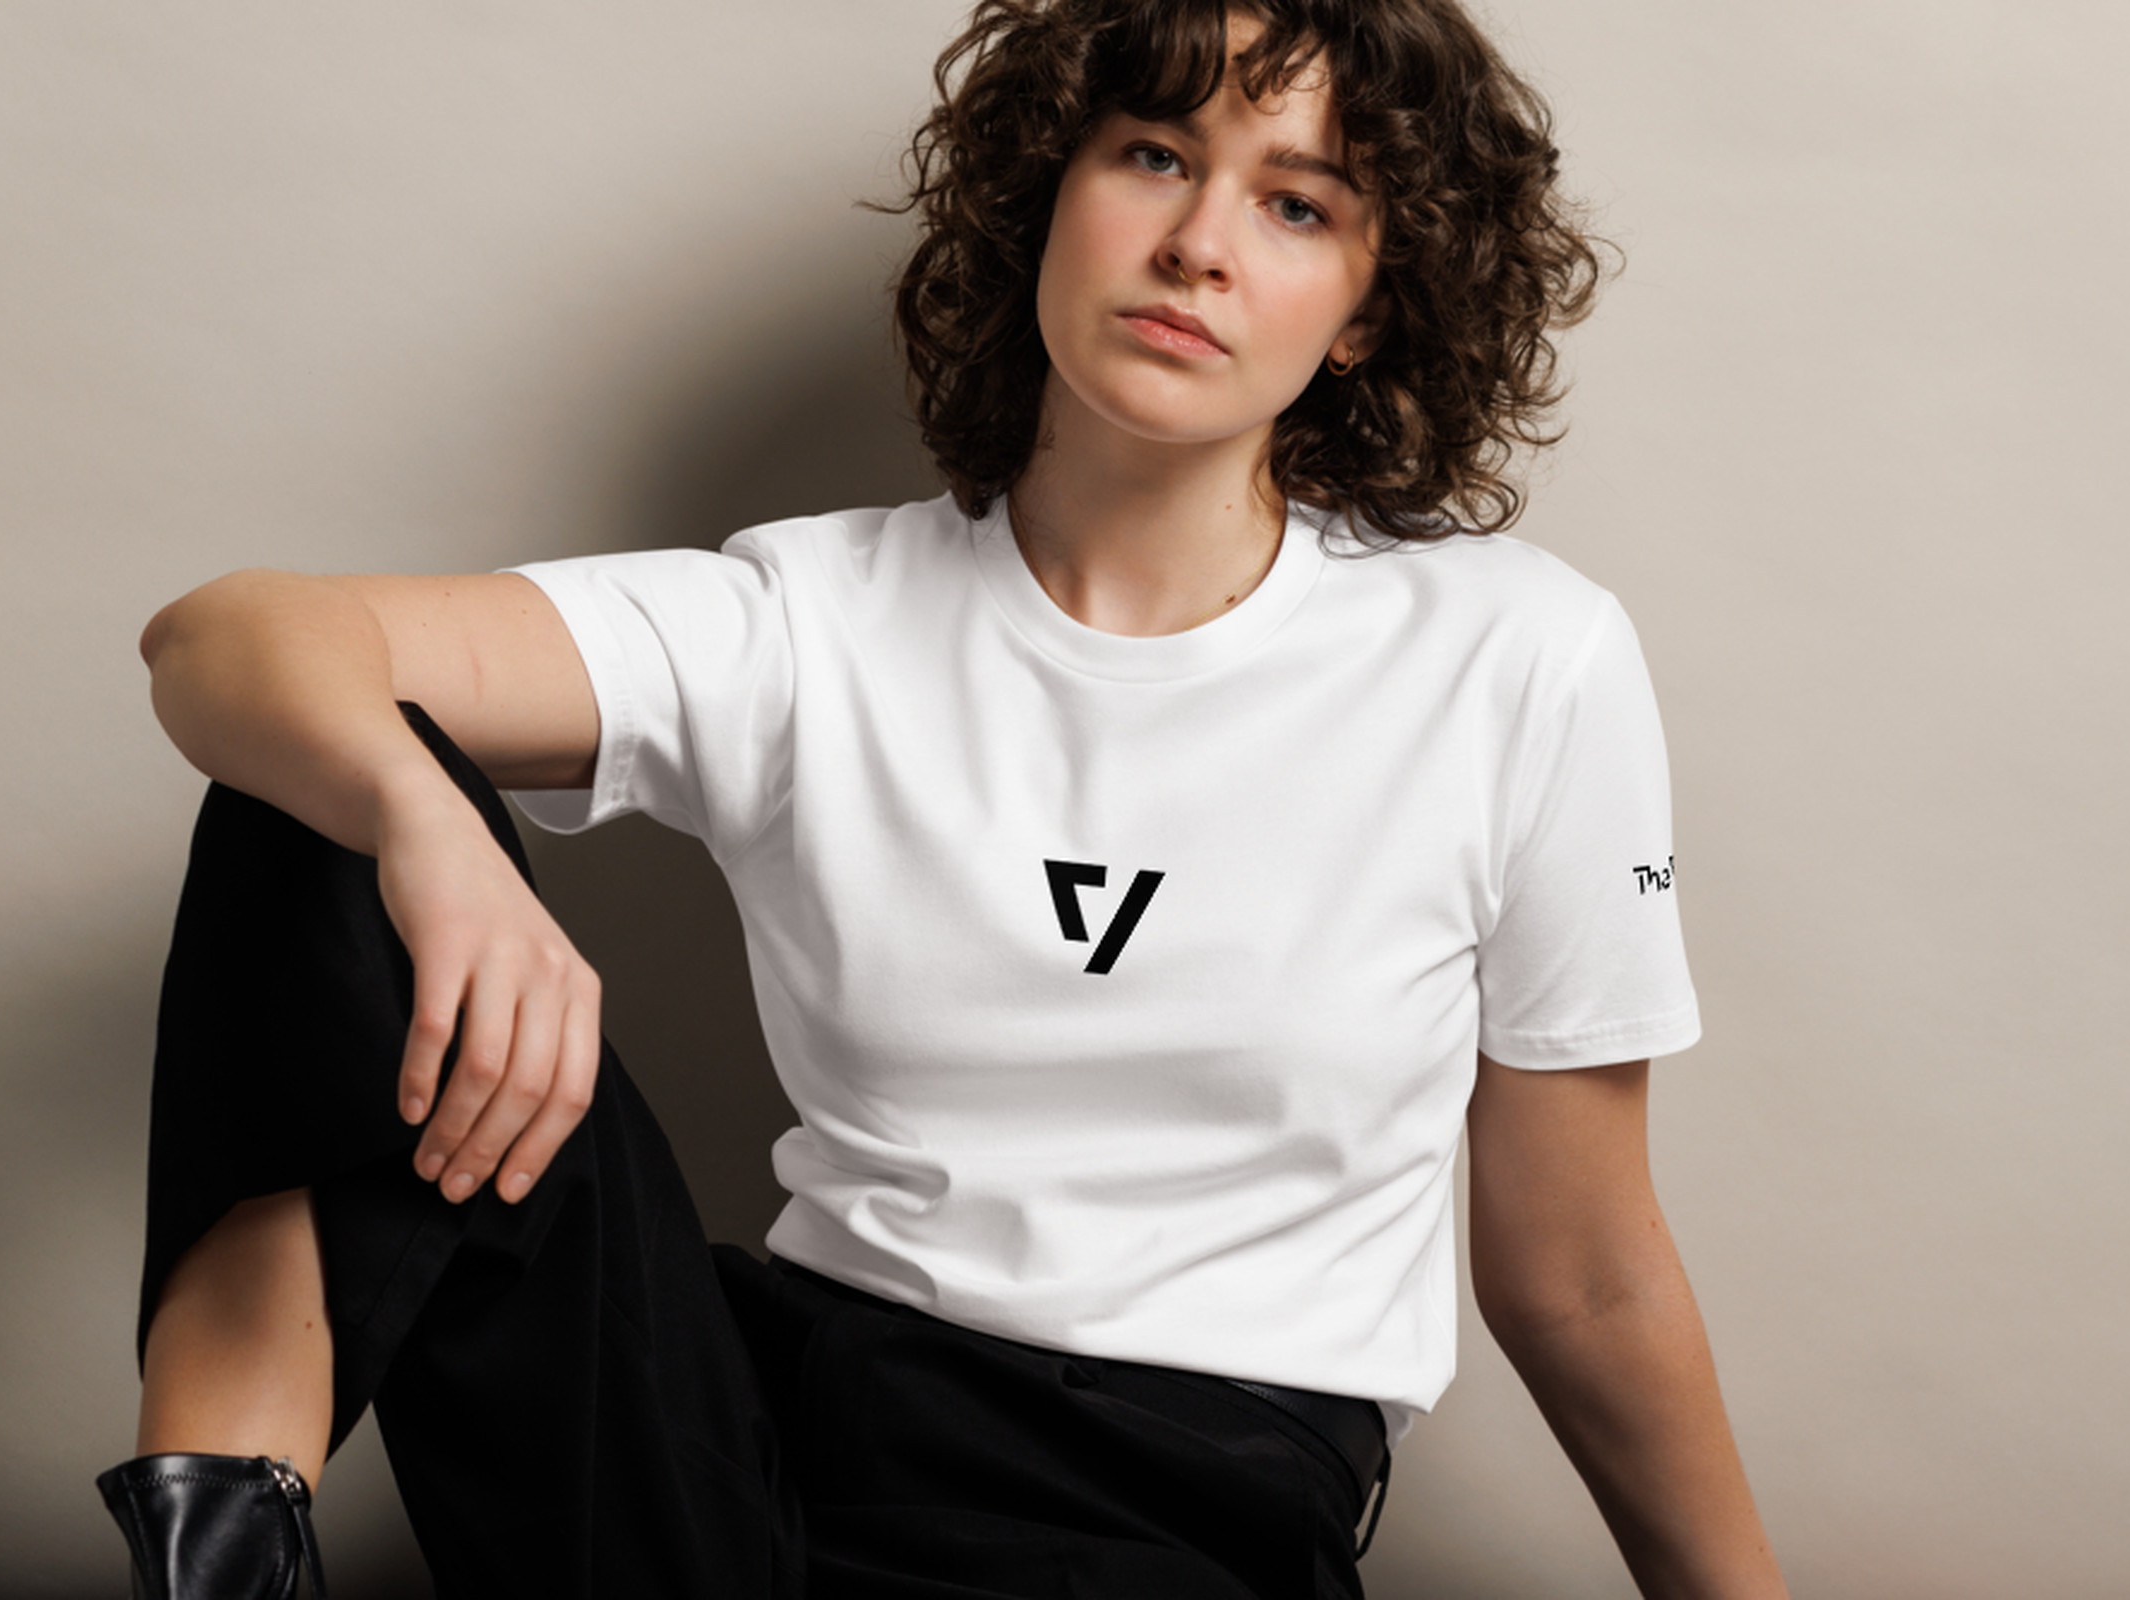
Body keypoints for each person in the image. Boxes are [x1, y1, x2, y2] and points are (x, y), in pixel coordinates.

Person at [97, 1, 1790, 1596]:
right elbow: (230, 638)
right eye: (1150, 155)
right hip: (751, 1456)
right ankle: (228, 1532)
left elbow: (1581, 1270)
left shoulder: (1516, 661)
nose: (1199, 239)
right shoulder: (812, 618)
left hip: (1178, 1506)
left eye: (1297, 205)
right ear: (1045, 190)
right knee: (306, 789)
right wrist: (425, 827)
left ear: (1366, 307)